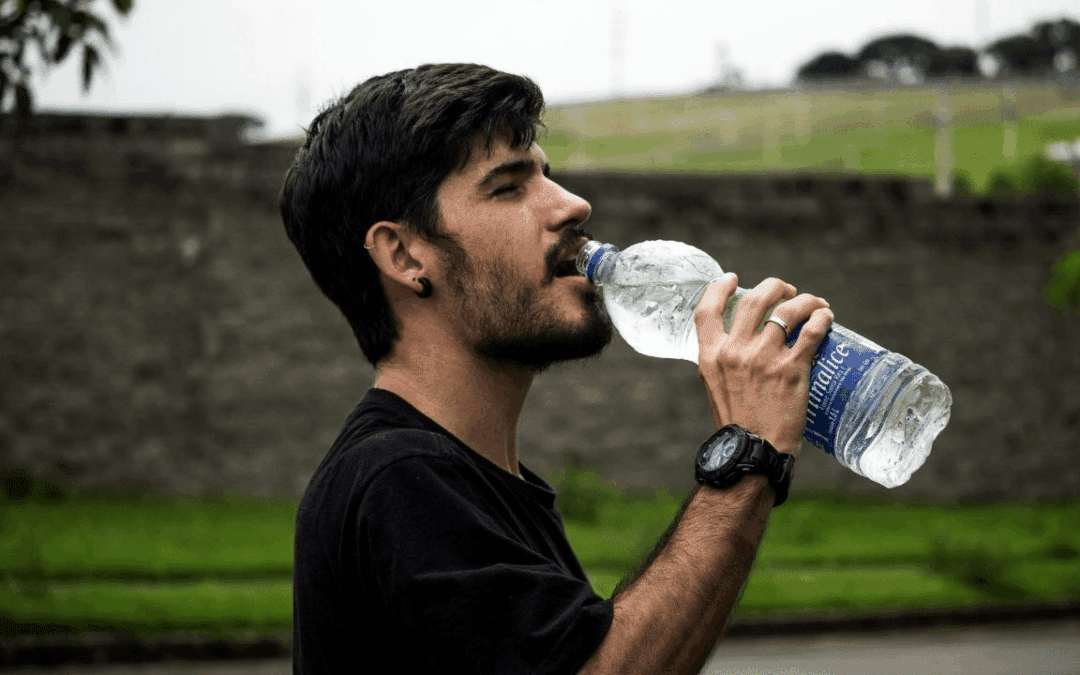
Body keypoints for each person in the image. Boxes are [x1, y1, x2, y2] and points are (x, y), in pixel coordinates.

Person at [279, 63, 833, 675]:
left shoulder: (476, 480)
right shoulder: (399, 479)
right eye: (508, 186)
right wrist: (749, 453)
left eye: (547, 174)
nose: (572, 204)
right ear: (406, 254)